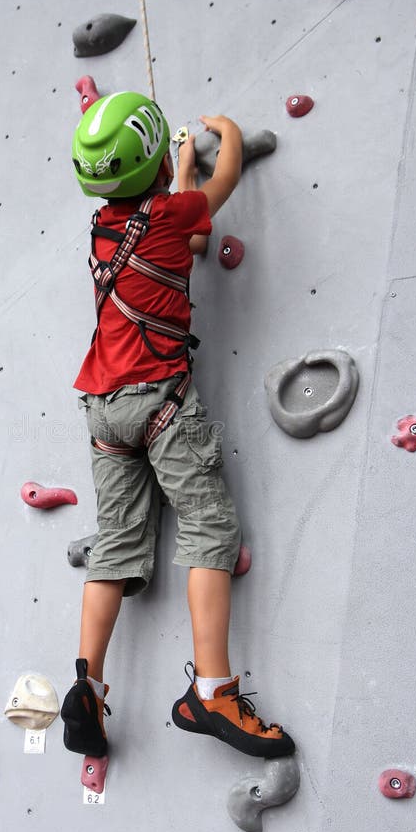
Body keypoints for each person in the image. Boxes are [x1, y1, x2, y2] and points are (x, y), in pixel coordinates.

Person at [61, 92, 294, 760]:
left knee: (116, 542)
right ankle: (212, 691)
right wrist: (224, 138)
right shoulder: (168, 209)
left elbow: (185, 243)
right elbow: (215, 193)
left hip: (102, 406)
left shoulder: (105, 227)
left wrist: (174, 163)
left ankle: (89, 684)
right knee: (207, 522)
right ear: (158, 159)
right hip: (158, 397)